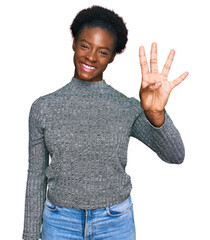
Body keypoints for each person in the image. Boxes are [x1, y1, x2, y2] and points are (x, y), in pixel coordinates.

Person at [22, 5, 189, 240]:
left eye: (102, 51)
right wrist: (29, 236)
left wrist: (156, 114)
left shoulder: (126, 106)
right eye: (85, 46)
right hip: (60, 223)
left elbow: (175, 155)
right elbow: (36, 177)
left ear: (112, 56)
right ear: (74, 43)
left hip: (114, 224)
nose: (90, 56)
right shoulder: (43, 108)